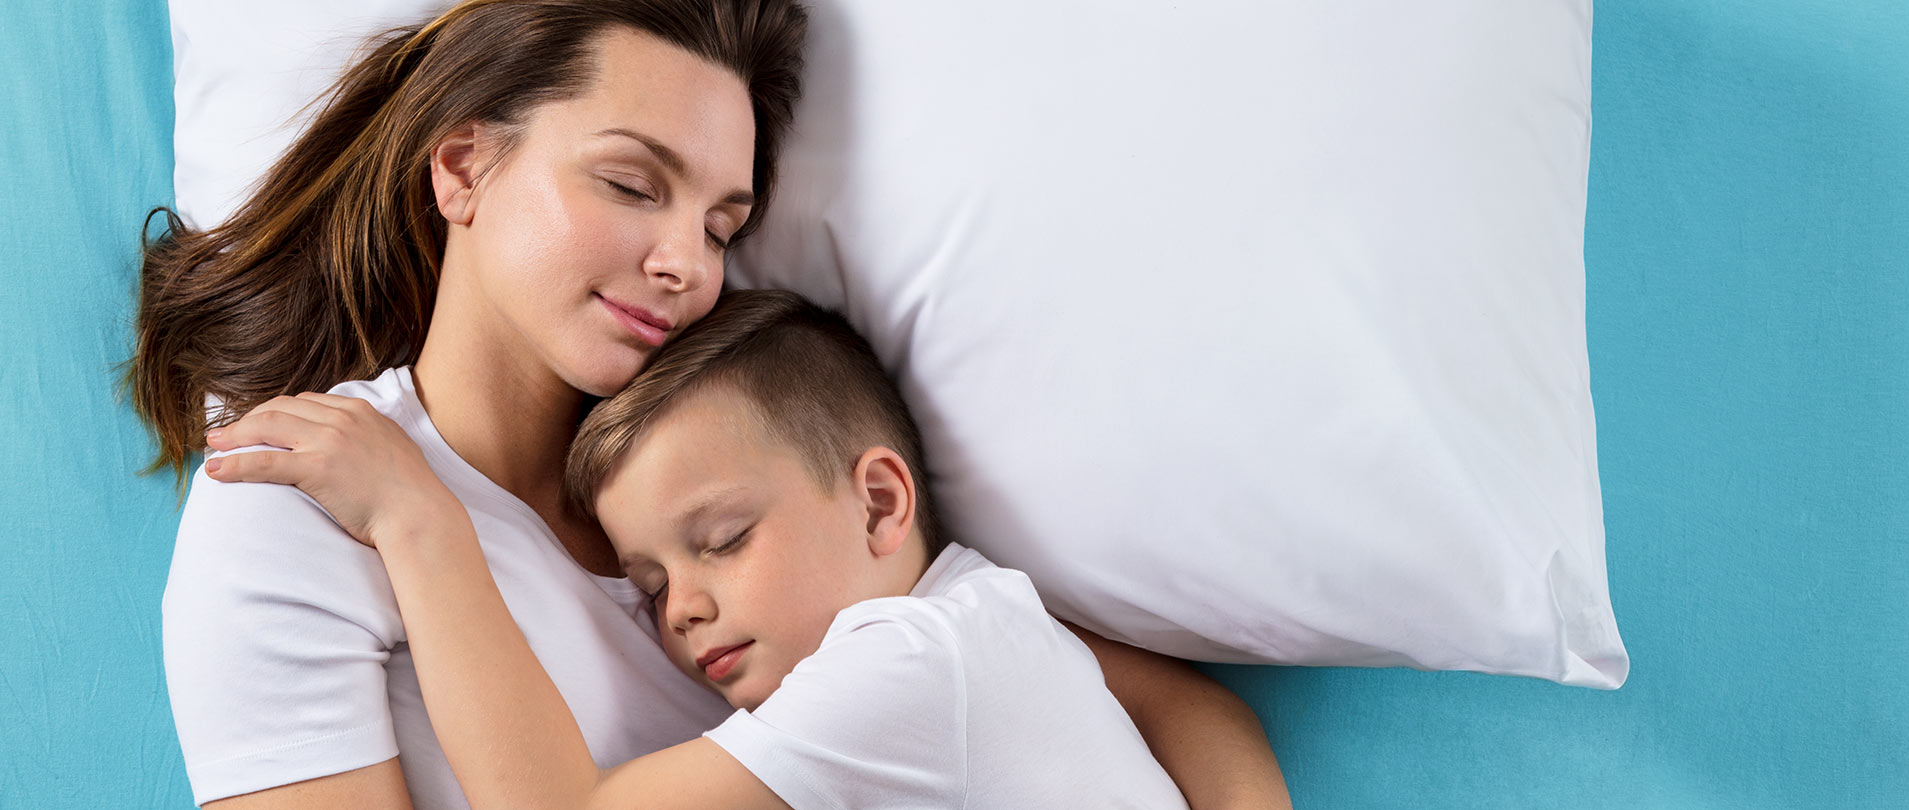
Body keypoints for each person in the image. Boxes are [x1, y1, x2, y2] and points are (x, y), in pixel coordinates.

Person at [132, 1, 1287, 808]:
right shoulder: (300, 504)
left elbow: (1169, 710)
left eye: (724, 226)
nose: (686, 262)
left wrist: (426, 527)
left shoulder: (743, 470)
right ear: (464, 167)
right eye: (632, 183)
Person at [204, 288, 1202, 809]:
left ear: (879, 504)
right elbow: (1192, 709)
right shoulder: (983, 614)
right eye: (648, 584)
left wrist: (419, 523)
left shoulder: (914, 664)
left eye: (723, 540)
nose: (680, 608)